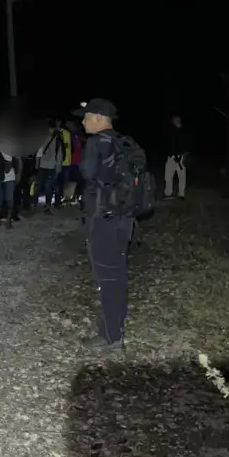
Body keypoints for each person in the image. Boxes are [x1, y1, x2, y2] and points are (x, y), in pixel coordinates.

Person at [73, 98, 134, 352]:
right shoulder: (125, 142)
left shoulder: (97, 143)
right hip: (124, 218)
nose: (83, 122)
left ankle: (111, 337)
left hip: (103, 219)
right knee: (118, 275)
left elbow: (87, 173)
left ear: (98, 117)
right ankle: (115, 328)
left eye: (86, 117)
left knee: (107, 278)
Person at [0, 142, 20, 231]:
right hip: (0, 177)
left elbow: (17, 160)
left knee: (8, 200)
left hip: (8, 176)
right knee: (0, 201)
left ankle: (7, 221)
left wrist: (17, 173)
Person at [35, 120, 65, 214]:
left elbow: (38, 154)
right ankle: (47, 206)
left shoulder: (41, 139)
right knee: (49, 188)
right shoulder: (58, 140)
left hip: (42, 166)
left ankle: (33, 205)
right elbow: (59, 156)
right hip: (51, 167)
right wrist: (58, 169)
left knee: (38, 186)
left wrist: (37, 165)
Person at [164, 113, 191, 200]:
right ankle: (168, 193)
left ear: (179, 119)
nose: (173, 120)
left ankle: (181, 194)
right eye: (173, 119)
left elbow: (189, 143)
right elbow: (169, 143)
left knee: (181, 176)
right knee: (168, 176)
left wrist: (186, 154)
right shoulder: (171, 130)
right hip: (171, 156)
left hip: (181, 156)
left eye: (175, 119)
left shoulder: (185, 130)